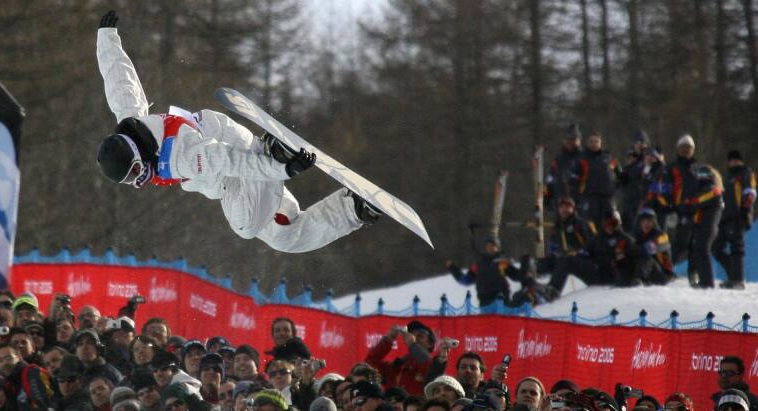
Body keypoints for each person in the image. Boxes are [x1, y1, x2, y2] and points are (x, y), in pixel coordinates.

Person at [95, 11, 379, 255]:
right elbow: (120, 83)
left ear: (137, 154)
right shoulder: (133, 125)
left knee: (245, 227)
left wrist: (279, 167)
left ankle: (271, 151)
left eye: (134, 170)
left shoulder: (177, 157)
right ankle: (353, 209)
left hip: (236, 170)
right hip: (232, 161)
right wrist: (106, 36)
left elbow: (226, 160)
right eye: (130, 180)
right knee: (284, 235)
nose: (138, 180)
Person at [666, 135, 723, 288]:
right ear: (678, 149)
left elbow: (712, 190)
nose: (686, 150)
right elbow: (666, 189)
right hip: (681, 210)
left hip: (699, 209)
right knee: (680, 243)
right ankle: (666, 270)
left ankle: (696, 275)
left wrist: (693, 203)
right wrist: (670, 207)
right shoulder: (671, 168)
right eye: (683, 147)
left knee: (697, 245)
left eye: (689, 147)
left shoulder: (700, 168)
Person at [364, 320, 446, 396]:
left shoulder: (435, 365)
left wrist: (413, 345)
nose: (414, 338)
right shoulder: (397, 366)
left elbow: (429, 366)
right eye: (411, 335)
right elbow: (370, 364)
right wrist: (388, 339)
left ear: (430, 344)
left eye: (420, 336)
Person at [713, 150, 756, 289]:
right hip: (724, 217)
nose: (733, 162)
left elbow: (750, 192)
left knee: (736, 248)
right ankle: (733, 274)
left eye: (736, 160)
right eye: (731, 160)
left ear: (741, 161)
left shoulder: (745, 173)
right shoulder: (726, 176)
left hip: (738, 215)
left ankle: (737, 279)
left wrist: (745, 209)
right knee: (716, 248)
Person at [541, 197, 599, 299]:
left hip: (584, 261)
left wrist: (577, 252)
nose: (565, 210)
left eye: (568, 207)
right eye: (562, 207)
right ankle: (531, 288)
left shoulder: (579, 224)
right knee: (538, 263)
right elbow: (553, 246)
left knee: (565, 261)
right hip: (564, 258)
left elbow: (591, 245)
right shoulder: (557, 226)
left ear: (573, 209)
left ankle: (552, 291)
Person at [445, 236, 526, 308]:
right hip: (484, 302)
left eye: (493, 246)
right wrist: (453, 269)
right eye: (488, 246)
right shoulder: (479, 264)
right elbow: (465, 280)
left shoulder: (502, 262)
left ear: (497, 247)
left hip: (502, 301)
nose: (490, 248)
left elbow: (517, 276)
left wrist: (527, 271)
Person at [577, 132, 621, 225]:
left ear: (600, 143)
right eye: (591, 142)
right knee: (592, 224)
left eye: (596, 141)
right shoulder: (582, 158)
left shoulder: (607, 157)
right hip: (591, 197)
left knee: (611, 223)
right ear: (588, 143)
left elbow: (619, 173)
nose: (594, 144)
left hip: (608, 197)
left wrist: (616, 187)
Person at [545, 123, 586, 209]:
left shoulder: (584, 157)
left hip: (578, 200)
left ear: (579, 141)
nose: (570, 142)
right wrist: (548, 195)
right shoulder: (559, 158)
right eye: (568, 139)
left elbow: (587, 178)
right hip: (560, 199)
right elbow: (551, 177)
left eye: (573, 139)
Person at [631, 208, 674, 285]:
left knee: (647, 256)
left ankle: (639, 279)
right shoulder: (637, 235)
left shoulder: (662, 236)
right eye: (643, 221)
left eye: (649, 221)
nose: (646, 224)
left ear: (654, 223)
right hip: (645, 270)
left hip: (662, 274)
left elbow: (649, 248)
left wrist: (633, 248)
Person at [619, 130, 651, 232]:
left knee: (638, 228)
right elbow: (623, 181)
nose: (640, 145)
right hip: (627, 200)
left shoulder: (648, 159)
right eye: (638, 143)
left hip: (640, 200)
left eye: (642, 143)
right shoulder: (631, 161)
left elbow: (645, 176)